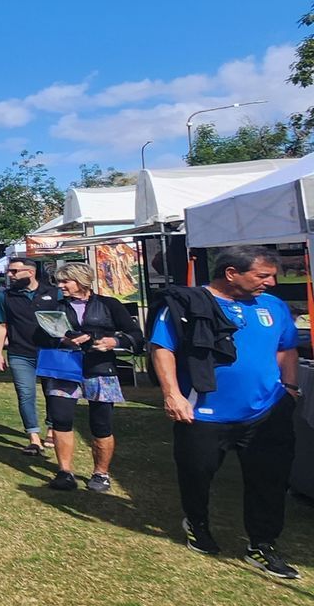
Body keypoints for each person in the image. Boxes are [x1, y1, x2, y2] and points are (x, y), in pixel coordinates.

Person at [149, 245, 302, 578]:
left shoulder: (272, 306)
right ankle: (198, 524)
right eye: (263, 276)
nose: (272, 283)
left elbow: (286, 347)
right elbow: (163, 349)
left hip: (266, 411)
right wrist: (173, 395)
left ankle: (262, 545)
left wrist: (290, 388)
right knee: (198, 473)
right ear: (232, 273)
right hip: (202, 412)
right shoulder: (186, 304)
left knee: (269, 480)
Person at [38, 262, 141, 494]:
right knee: (61, 419)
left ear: (82, 281)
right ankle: (65, 472)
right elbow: (42, 335)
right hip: (64, 369)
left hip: (100, 368)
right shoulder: (56, 306)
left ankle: (101, 473)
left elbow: (136, 335)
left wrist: (113, 342)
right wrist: (63, 340)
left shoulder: (108, 305)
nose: (61, 286)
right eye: (59, 281)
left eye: (66, 281)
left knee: (101, 423)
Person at [0, 257, 64, 457]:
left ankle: (51, 429)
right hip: (20, 352)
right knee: (25, 394)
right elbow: (1, 325)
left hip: (50, 352)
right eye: (9, 271)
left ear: (30, 272)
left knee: (53, 393)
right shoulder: (6, 296)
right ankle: (33, 437)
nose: (10, 275)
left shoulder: (54, 293)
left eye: (14, 271)